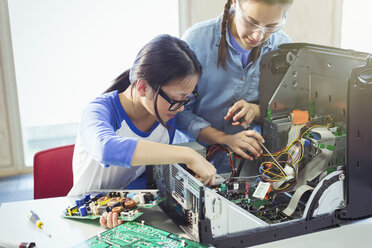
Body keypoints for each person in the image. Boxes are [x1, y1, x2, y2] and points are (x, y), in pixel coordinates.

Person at [67, 34, 217, 228]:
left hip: (124, 213)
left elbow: (142, 175)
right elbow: (106, 149)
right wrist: (188, 155)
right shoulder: (98, 111)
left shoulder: (165, 117)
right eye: (177, 99)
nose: (180, 108)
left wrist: (129, 204)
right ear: (143, 87)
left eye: (187, 98)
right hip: (84, 218)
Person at [178, 0, 293, 173]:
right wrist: (226, 139)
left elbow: (286, 110)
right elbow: (177, 112)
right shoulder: (196, 40)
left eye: (271, 27)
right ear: (235, 3)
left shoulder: (283, 48)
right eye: (251, 22)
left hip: (248, 170)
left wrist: (255, 110)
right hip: (194, 162)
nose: (257, 36)